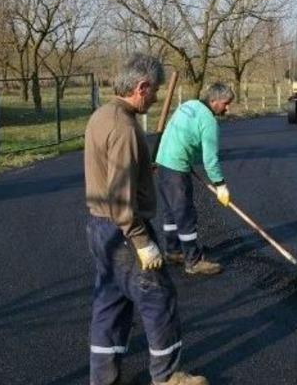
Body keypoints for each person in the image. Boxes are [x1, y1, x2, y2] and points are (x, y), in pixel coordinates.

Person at [84, 53, 206, 385]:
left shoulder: (101, 116)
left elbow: (114, 173)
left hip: (98, 227)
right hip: (124, 230)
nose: (154, 99)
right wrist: (142, 242)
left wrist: (141, 172)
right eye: (154, 92)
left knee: (111, 303)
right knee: (159, 297)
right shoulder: (124, 128)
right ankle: (167, 377)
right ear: (142, 86)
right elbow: (121, 197)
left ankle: (102, 378)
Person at [155, 82, 235, 275]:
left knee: (170, 212)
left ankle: (173, 251)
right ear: (214, 101)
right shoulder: (209, 121)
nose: (228, 108)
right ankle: (193, 261)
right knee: (185, 214)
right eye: (226, 103)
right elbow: (210, 159)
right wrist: (220, 185)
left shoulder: (189, 105)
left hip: (162, 162)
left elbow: (176, 132)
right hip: (176, 167)